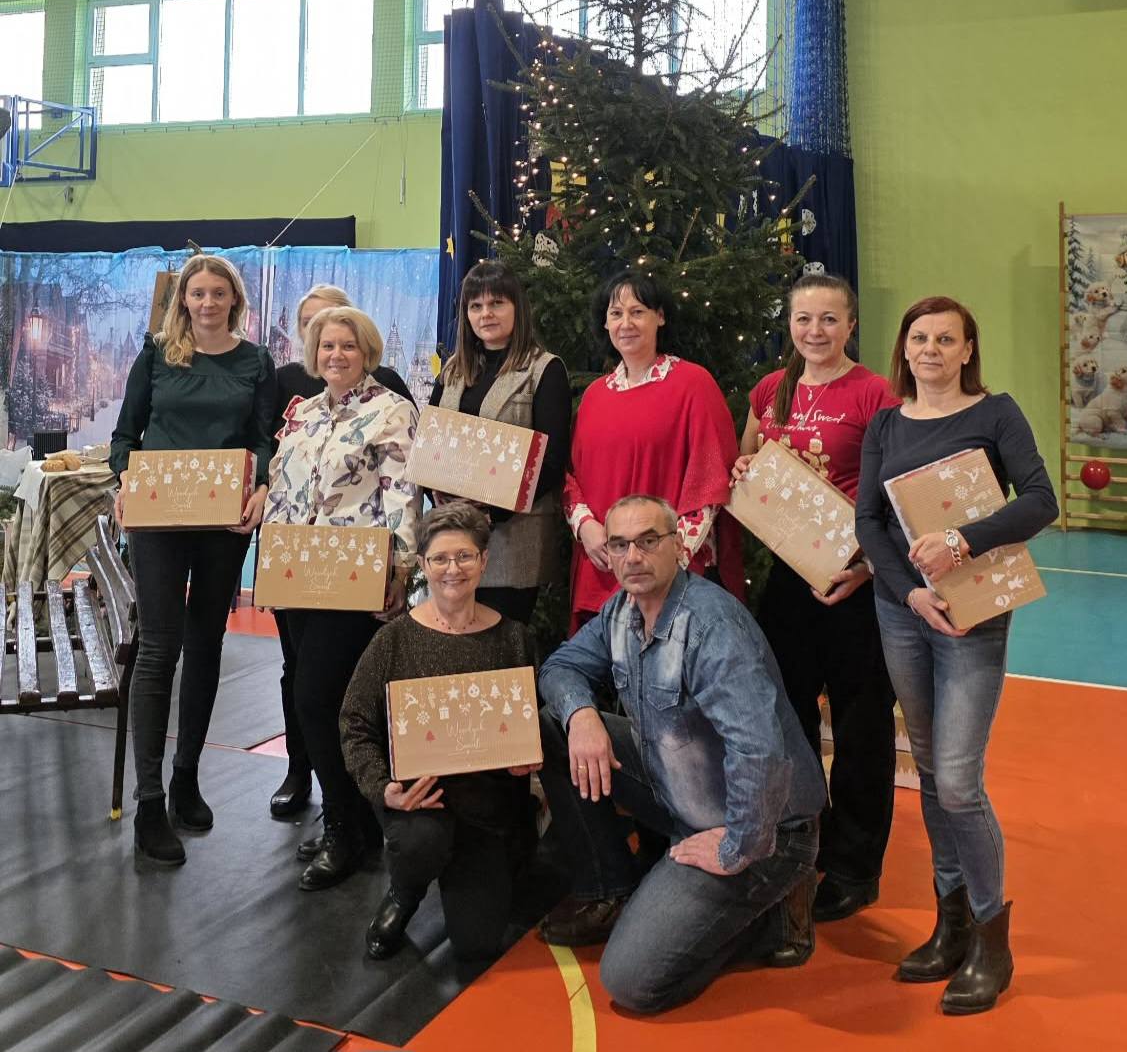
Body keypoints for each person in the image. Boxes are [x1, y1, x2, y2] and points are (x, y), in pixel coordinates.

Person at [534, 494, 826, 1014]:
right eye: (619, 544)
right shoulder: (620, 612)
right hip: (681, 785)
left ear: (680, 547)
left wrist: (737, 846)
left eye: (648, 541)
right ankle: (610, 888)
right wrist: (581, 716)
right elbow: (560, 668)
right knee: (554, 726)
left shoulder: (711, 627)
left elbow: (758, 750)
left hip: (763, 827)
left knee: (630, 982)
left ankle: (770, 906)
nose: (633, 557)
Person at [855, 296, 1057, 1015]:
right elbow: (868, 521)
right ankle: (952, 923)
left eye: (947, 338)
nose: (931, 349)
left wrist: (961, 541)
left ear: (968, 349)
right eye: (920, 338)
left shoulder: (995, 414)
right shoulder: (885, 424)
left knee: (960, 782)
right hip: (905, 613)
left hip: (973, 614)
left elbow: (1041, 500)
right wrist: (912, 594)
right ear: (904, 349)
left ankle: (992, 939)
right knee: (934, 772)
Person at [731, 273, 900, 922]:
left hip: (855, 582)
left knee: (861, 726)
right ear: (790, 324)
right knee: (789, 715)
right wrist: (744, 469)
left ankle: (856, 867)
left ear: (850, 324)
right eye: (804, 319)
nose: (815, 331)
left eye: (829, 319)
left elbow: (894, 489)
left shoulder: (875, 393)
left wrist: (867, 567)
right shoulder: (772, 389)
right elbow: (745, 461)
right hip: (790, 581)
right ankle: (806, 836)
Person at [110, 253, 276, 866]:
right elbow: (125, 435)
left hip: (222, 523)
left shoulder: (255, 362)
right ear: (183, 299)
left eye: (217, 293)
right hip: (158, 520)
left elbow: (262, 439)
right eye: (196, 293)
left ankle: (186, 777)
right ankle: (149, 802)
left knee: (206, 644)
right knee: (159, 649)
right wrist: (125, 481)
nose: (207, 302)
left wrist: (261, 489)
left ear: (234, 300)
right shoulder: (156, 354)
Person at [264, 305, 421, 891]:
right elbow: (282, 490)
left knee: (317, 698)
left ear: (367, 352)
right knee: (318, 699)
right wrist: (271, 565)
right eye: (327, 346)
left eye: (348, 346)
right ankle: (352, 819)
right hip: (297, 574)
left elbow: (403, 493)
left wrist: (400, 568)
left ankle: (343, 828)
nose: (336, 355)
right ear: (314, 354)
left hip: (355, 576)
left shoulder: (391, 410)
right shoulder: (303, 413)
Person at [340, 502, 538, 961]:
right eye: (441, 558)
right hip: (418, 803)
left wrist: (529, 759)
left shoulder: (514, 639)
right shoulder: (393, 640)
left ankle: (467, 868)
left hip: (487, 807)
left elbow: (534, 720)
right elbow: (355, 722)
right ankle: (404, 891)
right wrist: (382, 788)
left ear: (484, 561)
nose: (453, 569)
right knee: (421, 845)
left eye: (465, 556)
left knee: (476, 944)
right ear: (424, 565)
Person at [564, 271, 742, 631]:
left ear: (660, 316)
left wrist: (666, 561)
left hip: (670, 578)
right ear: (605, 323)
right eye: (616, 314)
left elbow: (710, 484)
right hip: (602, 568)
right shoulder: (595, 396)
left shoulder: (693, 384)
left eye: (638, 312)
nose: (626, 323)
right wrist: (585, 527)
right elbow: (571, 478)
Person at [428, 260, 571, 625]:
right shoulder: (453, 369)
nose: (486, 314)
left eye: (496, 303)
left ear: (516, 307)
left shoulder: (544, 369)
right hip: (453, 534)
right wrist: (439, 496)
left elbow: (551, 460)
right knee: (454, 639)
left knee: (501, 644)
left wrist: (493, 511)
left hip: (513, 539)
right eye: (476, 306)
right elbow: (430, 445)